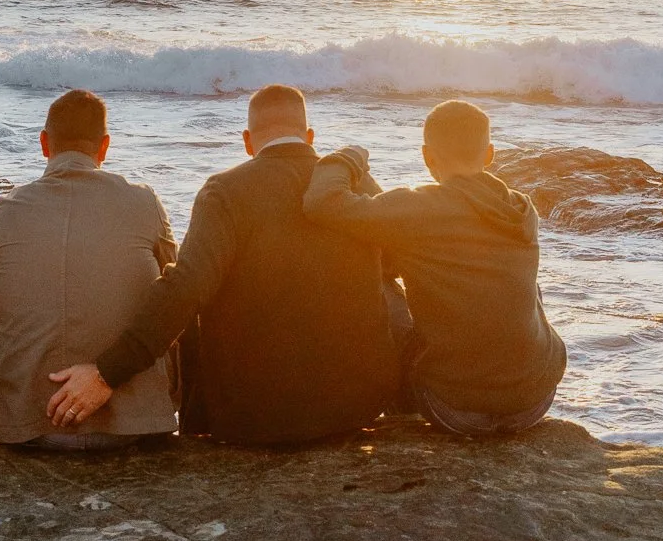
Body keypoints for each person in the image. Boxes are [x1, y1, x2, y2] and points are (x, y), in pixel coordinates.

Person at [45, 83, 404, 446]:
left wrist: (106, 373)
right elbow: (400, 264)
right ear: (309, 136)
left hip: (255, 414)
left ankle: (192, 429)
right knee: (387, 286)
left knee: (195, 289)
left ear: (248, 141)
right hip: (356, 407)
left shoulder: (226, 191)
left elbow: (185, 289)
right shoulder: (353, 186)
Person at [302, 98, 565, 436]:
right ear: (489, 155)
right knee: (522, 286)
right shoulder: (520, 209)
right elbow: (441, 232)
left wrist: (347, 158)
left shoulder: (417, 209)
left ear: (427, 157)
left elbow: (322, 202)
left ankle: (387, 404)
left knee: (381, 288)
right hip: (533, 401)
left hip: (453, 407)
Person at [0, 88, 177, 451]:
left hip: (29, 425)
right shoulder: (144, 201)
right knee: (174, 299)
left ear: (44, 143)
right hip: (132, 427)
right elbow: (174, 291)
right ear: (104, 146)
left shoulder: (8, 208)